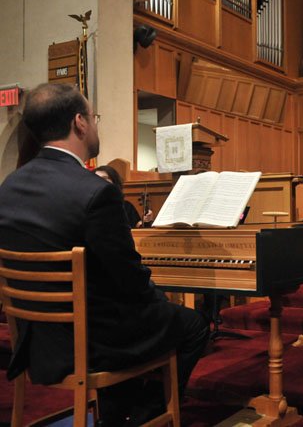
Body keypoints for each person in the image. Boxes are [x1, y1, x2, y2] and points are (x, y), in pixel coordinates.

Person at [0, 83, 210, 425]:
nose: (96, 125)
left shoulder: (7, 188)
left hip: (38, 343)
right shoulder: (95, 192)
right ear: (80, 123)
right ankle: (145, 415)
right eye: (94, 117)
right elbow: (130, 281)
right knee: (193, 326)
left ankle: (115, 411)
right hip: (92, 346)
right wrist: (162, 301)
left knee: (132, 317)